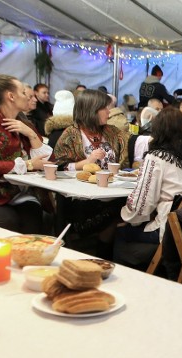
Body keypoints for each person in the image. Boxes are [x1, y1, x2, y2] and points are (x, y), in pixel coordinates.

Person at [0, 75, 51, 232]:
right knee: (7, 221)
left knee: (34, 215)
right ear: (11, 96)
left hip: (16, 194)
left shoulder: (24, 124)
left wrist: (31, 133)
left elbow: (47, 161)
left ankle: (29, 256)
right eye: (24, 93)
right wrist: (28, 164)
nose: (29, 98)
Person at [119, 107, 182, 246]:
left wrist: (124, 215)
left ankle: (128, 267)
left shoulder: (157, 157)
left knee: (119, 233)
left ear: (158, 130)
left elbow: (143, 203)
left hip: (171, 230)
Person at [51, 89, 130, 255]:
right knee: (119, 208)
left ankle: (102, 249)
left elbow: (125, 159)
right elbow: (58, 165)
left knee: (125, 204)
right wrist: (86, 163)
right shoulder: (71, 134)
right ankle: (96, 248)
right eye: (105, 108)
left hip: (111, 191)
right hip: (81, 197)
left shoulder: (113, 132)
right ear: (91, 110)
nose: (109, 111)